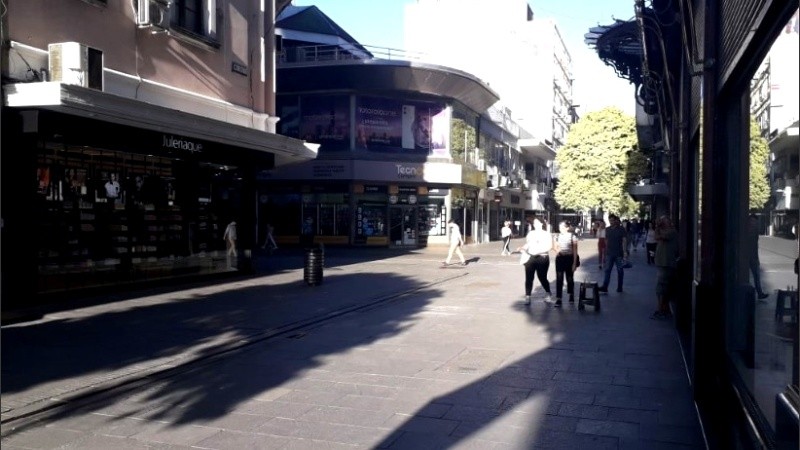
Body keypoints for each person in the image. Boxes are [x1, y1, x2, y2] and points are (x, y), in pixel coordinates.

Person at [517, 217, 554, 305]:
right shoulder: (531, 233)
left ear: (542, 223)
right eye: (534, 223)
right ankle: (528, 296)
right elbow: (528, 244)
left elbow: (549, 246)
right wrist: (523, 248)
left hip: (542, 257)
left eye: (537, 223)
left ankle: (548, 292)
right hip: (531, 257)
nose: (535, 224)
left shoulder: (546, 234)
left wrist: (538, 251)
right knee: (529, 277)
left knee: (542, 277)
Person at [652, 215, 678, 319]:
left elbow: (657, 237)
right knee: (663, 287)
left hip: (666, 263)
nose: (661, 222)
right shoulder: (666, 231)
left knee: (661, 287)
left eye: (663, 221)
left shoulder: (671, 232)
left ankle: (661, 309)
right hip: (662, 263)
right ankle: (663, 308)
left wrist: (657, 226)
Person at [598, 214, 628, 293]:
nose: (611, 222)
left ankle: (620, 287)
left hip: (619, 253)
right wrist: (606, 250)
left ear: (615, 220)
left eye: (612, 220)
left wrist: (625, 251)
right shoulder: (607, 229)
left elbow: (624, 241)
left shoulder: (621, 229)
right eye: (610, 220)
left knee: (620, 271)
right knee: (607, 270)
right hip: (609, 253)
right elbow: (606, 240)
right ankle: (605, 287)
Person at [552, 220, 579, 307]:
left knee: (570, 278)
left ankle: (571, 294)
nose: (560, 229)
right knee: (559, 278)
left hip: (569, 258)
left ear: (567, 228)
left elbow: (575, 250)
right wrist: (558, 251)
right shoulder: (557, 236)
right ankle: (559, 298)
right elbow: (554, 247)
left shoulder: (572, 236)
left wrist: (574, 263)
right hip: (560, 258)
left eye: (562, 227)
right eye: (560, 227)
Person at [747, 214, 770, 300]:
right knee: (749, 277)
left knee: (757, 276)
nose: (754, 224)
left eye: (755, 222)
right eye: (752, 222)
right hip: (747, 257)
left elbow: (755, 246)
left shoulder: (755, 232)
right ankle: (756, 293)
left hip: (753, 257)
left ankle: (760, 293)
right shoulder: (746, 232)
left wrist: (757, 259)